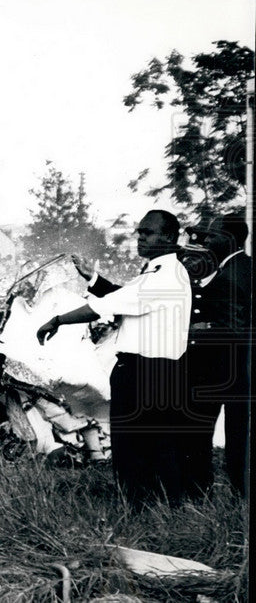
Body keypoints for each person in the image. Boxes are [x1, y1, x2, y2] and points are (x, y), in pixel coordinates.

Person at [37, 210, 192, 505]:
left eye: (148, 232)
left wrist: (56, 320)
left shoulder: (164, 276)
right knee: (155, 445)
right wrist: (93, 278)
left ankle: (141, 508)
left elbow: (106, 306)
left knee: (134, 447)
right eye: (139, 231)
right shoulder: (161, 271)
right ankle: (163, 507)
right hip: (156, 371)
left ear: (169, 237)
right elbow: (124, 295)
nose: (140, 237)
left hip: (145, 372)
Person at [184, 212, 251, 497]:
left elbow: (233, 331)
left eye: (213, 235)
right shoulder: (242, 267)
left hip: (227, 369)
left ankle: (217, 494)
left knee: (221, 436)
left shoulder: (231, 276)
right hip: (238, 370)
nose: (207, 240)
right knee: (239, 436)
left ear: (231, 239)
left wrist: (191, 332)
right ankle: (239, 495)